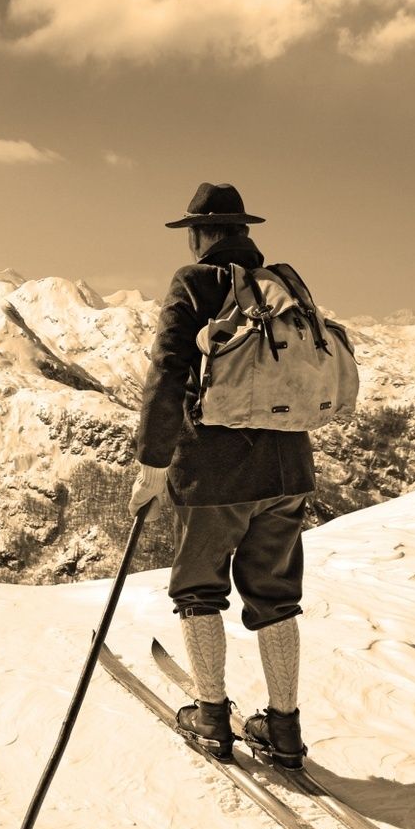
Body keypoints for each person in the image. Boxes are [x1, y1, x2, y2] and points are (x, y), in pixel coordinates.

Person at [128, 182, 312, 770]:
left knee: (199, 590)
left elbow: (166, 375)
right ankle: (283, 730)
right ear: (243, 232)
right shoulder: (286, 284)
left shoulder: (194, 284)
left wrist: (152, 463)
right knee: (277, 597)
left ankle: (211, 719)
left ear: (199, 234)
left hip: (213, 476)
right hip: (288, 469)